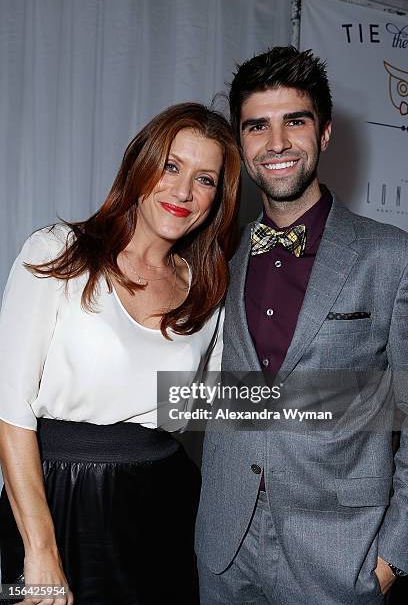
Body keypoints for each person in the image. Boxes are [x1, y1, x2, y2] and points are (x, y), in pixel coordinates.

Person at [0, 102, 240, 605]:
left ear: (218, 199)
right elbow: (9, 412)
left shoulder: (208, 289)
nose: (183, 191)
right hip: (59, 499)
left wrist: (362, 400)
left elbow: (217, 408)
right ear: (141, 166)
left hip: (164, 505)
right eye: (171, 166)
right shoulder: (58, 253)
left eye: (205, 180)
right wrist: (40, 552)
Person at [196, 46, 408, 604]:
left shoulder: (391, 257)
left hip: (341, 555)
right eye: (257, 127)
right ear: (241, 145)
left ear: (326, 132)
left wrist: (391, 558)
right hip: (225, 546)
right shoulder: (220, 255)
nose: (278, 143)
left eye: (296, 120)